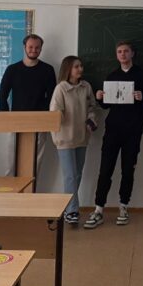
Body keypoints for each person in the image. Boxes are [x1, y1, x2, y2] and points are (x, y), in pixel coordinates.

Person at [84, 41, 143, 229]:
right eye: (119, 52)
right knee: (105, 169)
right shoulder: (112, 76)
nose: (123, 54)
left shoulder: (142, 75)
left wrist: (142, 98)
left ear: (132, 53)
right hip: (113, 129)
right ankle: (98, 209)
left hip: (133, 130)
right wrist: (100, 97)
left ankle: (123, 207)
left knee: (127, 169)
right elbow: (107, 105)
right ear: (116, 55)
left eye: (126, 51)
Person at [0, 34, 57, 185]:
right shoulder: (12, 70)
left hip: (40, 123)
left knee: (34, 166)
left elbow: (52, 97)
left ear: (41, 49)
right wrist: (6, 119)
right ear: (24, 47)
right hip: (16, 123)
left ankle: (30, 193)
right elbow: (3, 95)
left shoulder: (48, 70)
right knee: (12, 164)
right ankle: (11, 193)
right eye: (30, 47)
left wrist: (42, 115)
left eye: (37, 47)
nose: (33, 50)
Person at [50, 56, 99, 225]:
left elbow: (92, 107)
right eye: (76, 66)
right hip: (64, 138)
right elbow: (55, 112)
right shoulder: (61, 89)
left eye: (81, 66)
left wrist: (91, 119)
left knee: (77, 174)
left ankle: (68, 207)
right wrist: (61, 115)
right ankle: (72, 210)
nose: (80, 69)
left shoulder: (86, 87)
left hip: (82, 137)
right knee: (70, 176)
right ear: (68, 69)